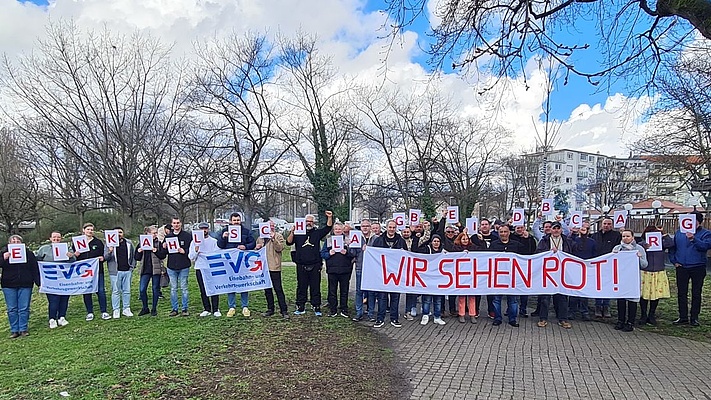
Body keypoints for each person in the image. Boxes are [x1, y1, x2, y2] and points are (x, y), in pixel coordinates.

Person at [286, 210, 333, 316]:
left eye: (311, 221)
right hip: (301, 264)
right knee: (301, 286)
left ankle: (316, 306)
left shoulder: (317, 233)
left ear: (314, 223)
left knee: (315, 286)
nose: (309, 223)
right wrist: (292, 232)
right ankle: (300, 306)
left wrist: (329, 217)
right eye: (307, 221)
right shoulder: (298, 233)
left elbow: (328, 228)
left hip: (315, 264)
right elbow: (288, 242)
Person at [669, 211, 711, 326]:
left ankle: (694, 317)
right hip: (682, 267)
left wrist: (693, 239)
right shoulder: (679, 233)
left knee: (696, 293)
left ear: (698, 222)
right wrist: (674, 261)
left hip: (698, 267)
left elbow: (705, 246)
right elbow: (673, 248)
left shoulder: (706, 233)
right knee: (682, 293)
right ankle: (683, 317)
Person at [217, 212, 256, 318]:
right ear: (230, 221)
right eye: (234, 220)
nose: (236, 222)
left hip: (242, 262)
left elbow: (253, 243)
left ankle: (245, 306)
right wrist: (223, 237)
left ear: (240, 220)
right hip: (230, 262)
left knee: (243, 283)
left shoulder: (246, 232)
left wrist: (245, 246)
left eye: (238, 220)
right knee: (231, 283)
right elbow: (220, 245)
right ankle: (231, 307)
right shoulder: (225, 231)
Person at [535, 221, 573, 329]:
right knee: (545, 297)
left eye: (558, 228)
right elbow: (538, 253)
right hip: (548, 272)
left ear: (561, 230)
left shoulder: (567, 241)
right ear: (550, 230)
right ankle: (543, 318)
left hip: (562, 272)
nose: (556, 230)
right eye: (554, 228)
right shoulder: (544, 240)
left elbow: (572, 253)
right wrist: (548, 252)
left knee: (562, 296)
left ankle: (563, 319)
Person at [1, 235, 40, 338]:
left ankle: (23, 329)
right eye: (13, 241)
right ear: (9, 243)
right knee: (12, 308)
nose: (16, 243)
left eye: (18, 241)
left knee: (24, 308)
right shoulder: (3, 253)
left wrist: (38, 283)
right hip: (8, 285)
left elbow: (34, 268)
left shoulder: (28, 254)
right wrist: (3, 258)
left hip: (25, 284)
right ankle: (14, 330)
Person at [371, 220, 406, 328]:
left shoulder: (401, 241)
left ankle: (394, 318)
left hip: (396, 273)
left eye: (393, 227)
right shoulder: (379, 240)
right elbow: (373, 254)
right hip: (383, 274)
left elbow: (407, 256)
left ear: (396, 228)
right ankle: (380, 319)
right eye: (390, 227)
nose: (391, 229)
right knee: (382, 297)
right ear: (386, 228)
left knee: (395, 297)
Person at [36, 231, 75, 328]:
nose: (56, 239)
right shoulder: (43, 248)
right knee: (53, 299)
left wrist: (70, 256)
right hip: (50, 279)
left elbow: (73, 260)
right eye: (54, 237)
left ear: (61, 238)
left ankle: (62, 317)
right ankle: (52, 318)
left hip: (63, 278)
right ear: (50, 238)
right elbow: (36, 259)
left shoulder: (67, 248)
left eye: (58, 237)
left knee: (64, 298)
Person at [612, 229, 648, 332]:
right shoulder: (617, 248)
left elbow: (645, 265)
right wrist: (613, 255)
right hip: (621, 278)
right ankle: (620, 321)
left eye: (628, 236)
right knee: (621, 300)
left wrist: (639, 258)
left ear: (632, 237)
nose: (625, 238)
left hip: (633, 278)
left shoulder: (639, 249)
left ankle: (630, 322)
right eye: (623, 236)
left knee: (632, 300)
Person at [489, 225, 525, 327]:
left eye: (505, 232)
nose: (503, 234)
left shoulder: (516, 245)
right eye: (501, 232)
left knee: (513, 299)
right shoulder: (494, 245)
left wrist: (528, 238)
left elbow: (528, 254)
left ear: (509, 232)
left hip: (512, 277)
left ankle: (512, 319)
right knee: (496, 299)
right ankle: (497, 318)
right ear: (498, 233)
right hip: (498, 277)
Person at [75, 223, 110, 321]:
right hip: (84, 272)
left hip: (97, 270)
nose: (90, 231)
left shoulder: (98, 242)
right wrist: (75, 255)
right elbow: (73, 258)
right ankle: (89, 312)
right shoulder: (77, 242)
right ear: (83, 230)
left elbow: (104, 255)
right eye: (88, 229)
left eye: (91, 229)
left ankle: (104, 311)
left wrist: (102, 258)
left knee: (101, 291)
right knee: (87, 291)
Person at [638, 225, 672, 325]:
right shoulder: (642, 245)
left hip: (658, 271)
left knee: (656, 294)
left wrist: (664, 233)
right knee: (644, 294)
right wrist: (644, 246)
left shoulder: (661, 244)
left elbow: (671, 244)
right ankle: (643, 314)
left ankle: (651, 314)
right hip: (645, 271)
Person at [321, 222, 355, 317]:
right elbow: (322, 254)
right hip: (332, 270)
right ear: (333, 230)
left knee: (344, 291)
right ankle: (333, 309)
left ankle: (344, 309)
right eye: (336, 229)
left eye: (340, 229)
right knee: (332, 291)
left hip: (345, 270)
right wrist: (329, 254)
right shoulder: (328, 241)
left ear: (343, 230)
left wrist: (347, 253)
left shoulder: (348, 240)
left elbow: (353, 254)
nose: (338, 231)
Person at [256, 220, 289, 319]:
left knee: (278, 289)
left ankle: (284, 310)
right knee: (267, 290)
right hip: (263, 267)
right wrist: (256, 247)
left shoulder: (278, 236)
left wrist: (273, 238)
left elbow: (280, 248)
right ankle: (270, 308)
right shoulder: (260, 238)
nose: (271, 227)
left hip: (274, 266)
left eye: (272, 225)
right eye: (269, 225)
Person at [189, 222, 221, 317]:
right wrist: (196, 250)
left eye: (205, 228)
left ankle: (215, 308)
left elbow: (217, 254)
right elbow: (191, 257)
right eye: (202, 229)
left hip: (211, 268)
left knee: (214, 289)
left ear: (208, 229)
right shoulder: (194, 242)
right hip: (200, 267)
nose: (204, 230)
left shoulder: (214, 241)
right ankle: (207, 308)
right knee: (203, 289)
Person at [592, 217, 622, 318]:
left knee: (608, 285)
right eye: (605, 224)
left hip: (610, 265)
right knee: (598, 286)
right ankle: (598, 306)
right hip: (597, 265)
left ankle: (606, 306)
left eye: (609, 224)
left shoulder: (617, 236)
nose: (607, 226)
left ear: (612, 225)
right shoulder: (595, 236)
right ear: (601, 224)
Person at [104, 227, 136, 319]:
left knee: (127, 291)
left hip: (127, 270)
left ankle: (126, 308)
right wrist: (110, 251)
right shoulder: (109, 244)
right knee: (116, 291)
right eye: (116, 233)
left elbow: (133, 256)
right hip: (115, 271)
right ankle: (116, 309)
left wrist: (132, 267)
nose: (119, 234)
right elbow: (106, 257)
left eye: (120, 232)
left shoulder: (129, 243)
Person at [163, 217, 192, 316]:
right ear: (172, 224)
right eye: (174, 223)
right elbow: (164, 253)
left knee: (184, 288)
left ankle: (184, 309)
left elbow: (191, 249)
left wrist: (185, 251)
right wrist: (164, 247)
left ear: (181, 224)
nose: (176, 225)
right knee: (173, 288)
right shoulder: (168, 237)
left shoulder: (187, 236)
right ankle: (174, 308)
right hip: (171, 266)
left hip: (184, 265)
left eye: (178, 223)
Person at [134, 226, 166, 316]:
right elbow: (136, 257)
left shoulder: (158, 243)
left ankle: (154, 308)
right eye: (153, 233)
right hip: (145, 270)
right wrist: (139, 251)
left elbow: (163, 255)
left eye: (156, 233)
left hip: (155, 270)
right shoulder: (141, 243)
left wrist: (156, 251)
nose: (155, 235)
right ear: (147, 234)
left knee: (155, 289)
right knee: (142, 289)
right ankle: (145, 307)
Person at [568, 225, 596, 321]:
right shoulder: (574, 240)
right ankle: (572, 311)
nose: (583, 229)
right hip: (574, 268)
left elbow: (594, 254)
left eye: (585, 228)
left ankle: (584, 311)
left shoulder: (592, 242)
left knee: (584, 291)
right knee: (573, 290)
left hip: (587, 269)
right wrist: (573, 232)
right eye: (582, 228)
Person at [349, 218, 375, 321]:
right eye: (363, 226)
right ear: (360, 227)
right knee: (359, 291)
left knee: (371, 292)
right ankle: (359, 312)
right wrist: (352, 246)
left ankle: (371, 313)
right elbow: (352, 254)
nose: (365, 228)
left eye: (367, 226)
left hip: (372, 269)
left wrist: (369, 249)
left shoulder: (376, 238)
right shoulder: (356, 237)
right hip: (360, 267)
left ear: (370, 227)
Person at [418, 234, 446, 326]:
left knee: (438, 299)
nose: (436, 243)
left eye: (438, 241)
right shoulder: (427, 250)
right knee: (427, 299)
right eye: (434, 241)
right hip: (428, 278)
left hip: (439, 279)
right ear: (431, 242)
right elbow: (417, 249)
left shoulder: (444, 251)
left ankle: (437, 317)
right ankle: (425, 315)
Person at [452, 232, 479, 323]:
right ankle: (461, 314)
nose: (465, 240)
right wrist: (460, 254)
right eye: (463, 239)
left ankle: (472, 314)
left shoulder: (473, 248)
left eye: (467, 239)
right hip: (461, 275)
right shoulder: (455, 248)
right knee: (462, 296)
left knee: (472, 296)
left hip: (471, 275)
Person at [511, 224, 537, 317]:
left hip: (525, 268)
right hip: (513, 267)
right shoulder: (511, 237)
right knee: (512, 289)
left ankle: (523, 309)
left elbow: (531, 250)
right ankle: (511, 309)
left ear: (524, 228)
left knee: (524, 290)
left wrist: (526, 239)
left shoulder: (530, 239)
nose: (520, 229)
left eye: (521, 227)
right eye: (518, 228)